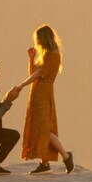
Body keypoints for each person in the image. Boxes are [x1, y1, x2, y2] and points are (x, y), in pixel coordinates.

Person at [22, 24, 76, 173]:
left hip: (43, 93)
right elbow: (33, 72)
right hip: (38, 93)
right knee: (40, 128)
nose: (37, 42)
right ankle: (44, 162)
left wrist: (22, 85)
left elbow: (39, 75)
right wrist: (31, 58)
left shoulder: (53, 55)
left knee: (45, 129)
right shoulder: (46, 55)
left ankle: (66, 157)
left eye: (38, 39)